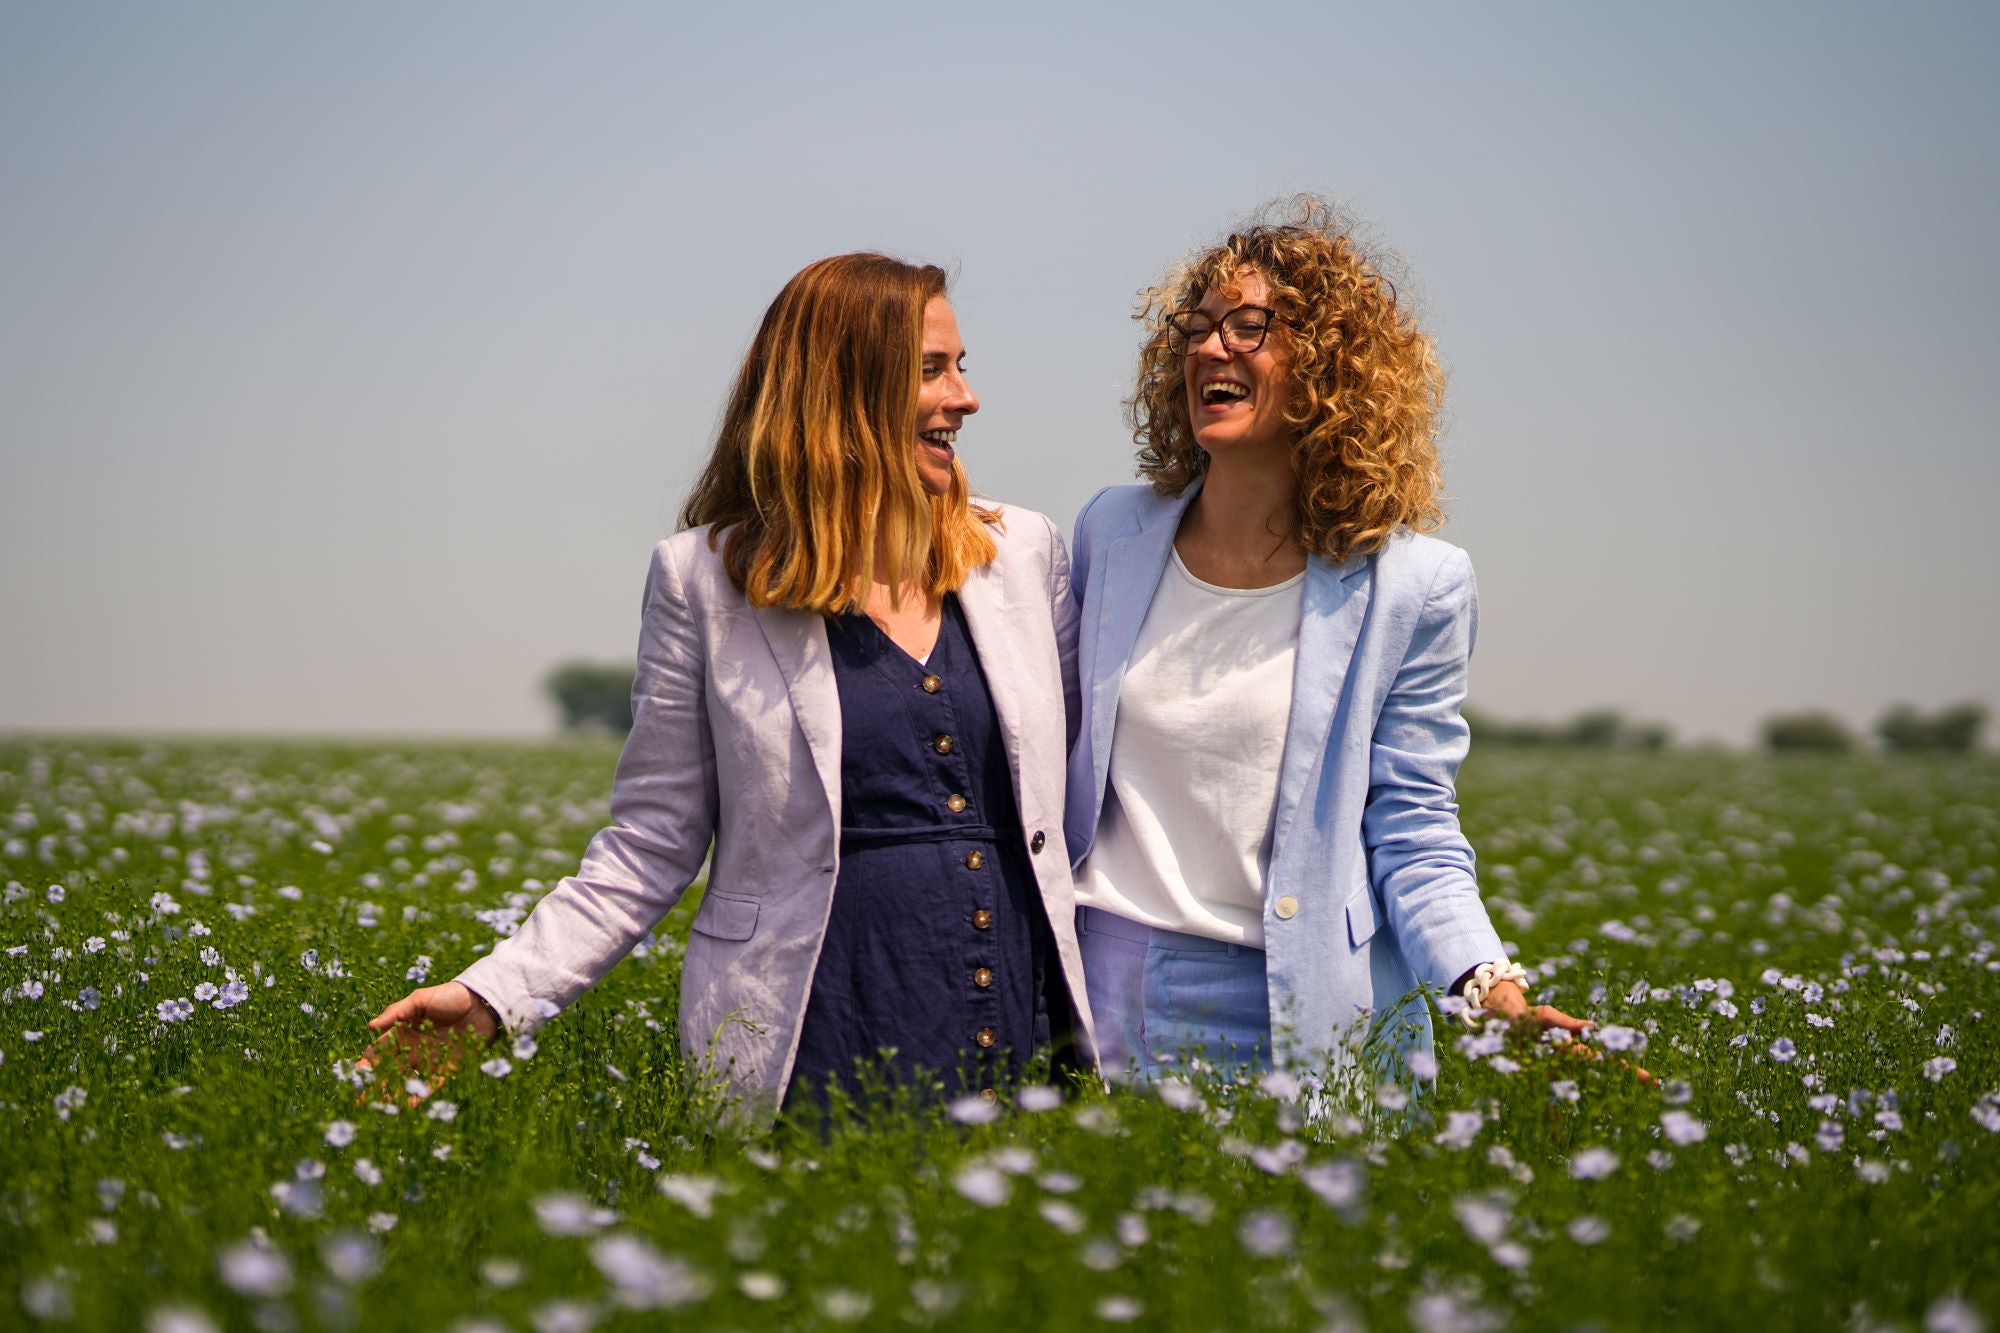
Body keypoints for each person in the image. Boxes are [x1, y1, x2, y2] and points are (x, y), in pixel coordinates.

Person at [365, 253, 1094, 1120]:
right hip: (821, 1037)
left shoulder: (1023, 553)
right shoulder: (704, 583)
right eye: (933, 371)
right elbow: (650, 842)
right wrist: (496, 996)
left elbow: (1084, 793)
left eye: (961, 368)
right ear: (847, 391)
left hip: (1019, 1020)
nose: (965, 398)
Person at [1064, 199, 1590, 1086]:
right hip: (1095, 993)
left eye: (1248, 327)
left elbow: (1414, 826)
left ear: (1330, 369)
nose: (1208, 349)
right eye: (1195, 329)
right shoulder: (1110, 533)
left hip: (1295, 1008)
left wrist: (1492, 986)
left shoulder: (1414, 587)